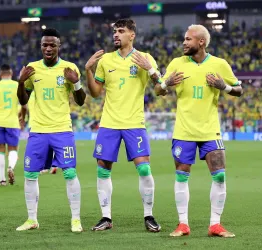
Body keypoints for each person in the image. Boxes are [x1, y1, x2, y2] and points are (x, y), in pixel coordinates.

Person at [154, 24, 243, 238]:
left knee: (220, 176)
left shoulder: (219, 64)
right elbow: (158, 90)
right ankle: (183, 224)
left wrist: (225, 87)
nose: (184, 43)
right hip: (184, 131)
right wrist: (166, 84)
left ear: (201, 42)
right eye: (184, 39)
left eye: (188, 39)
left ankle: (215, 224)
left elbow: (239, 89)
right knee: (182, 177)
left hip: (210, 131)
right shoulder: (177, 63)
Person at [85, 19, 161, 232]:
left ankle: (149, 215)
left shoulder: (145, 58)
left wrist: (151, 70)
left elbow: (161, 89)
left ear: (132, 35)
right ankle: (106, 217)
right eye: (114, 31)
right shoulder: (106, 60)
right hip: (109, 123)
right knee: (103, 169)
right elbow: (95, 92)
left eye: (121, 31)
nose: (116, 35)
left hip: (134, 123)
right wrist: (88, 70)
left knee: (144, 168)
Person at [16, 28, 86, 232]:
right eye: (44, 45)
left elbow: (81, 102)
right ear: (40, 46)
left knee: (70, 172)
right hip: (38, 130)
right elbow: (23, 99)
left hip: (62, 129)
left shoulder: (69, 68)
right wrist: (20, 81)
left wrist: (76, 82)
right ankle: (31, 219)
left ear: (59, 46)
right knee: (30, 174)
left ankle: (75, 219)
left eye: (52, 45)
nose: (48, 48)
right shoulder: (32, 69)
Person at [0, 64, 25, 186]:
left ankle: (2, 180)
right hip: (13, 122)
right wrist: (22, 118)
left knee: (0, 150)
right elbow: (24, 105)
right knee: (13, 149)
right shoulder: (17, 85)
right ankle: (10, 167)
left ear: (0, 74)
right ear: (11, 73)